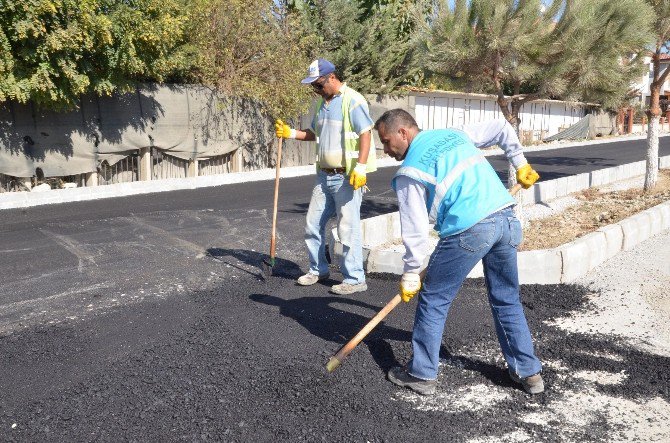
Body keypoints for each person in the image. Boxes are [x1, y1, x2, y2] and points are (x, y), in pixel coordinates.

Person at [374, 109, 543, 396]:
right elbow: (501, 127)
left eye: (387, 142)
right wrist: (520, 162)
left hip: (470, 230)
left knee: (434, 299)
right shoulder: (453, 134)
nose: (387, 150)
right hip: (506, 220)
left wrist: (412, 271)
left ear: (403, 132)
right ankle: (528, 373)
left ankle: (421, 374)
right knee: (506, 298)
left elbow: (414, 228)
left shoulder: (410, 171)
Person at [275, 59, 376, 295]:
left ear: (331, 78)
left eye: (318, 85)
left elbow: (365, 132)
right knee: (313, 224)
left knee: (347, 228)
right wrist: (290, 133)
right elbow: (313, 133)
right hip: (324, 176)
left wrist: (360, 167)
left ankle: (354, 279)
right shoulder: (322, 104)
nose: (316, 90)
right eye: (313, 87)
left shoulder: (353, 100)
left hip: (347, 176)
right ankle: (318, 269)